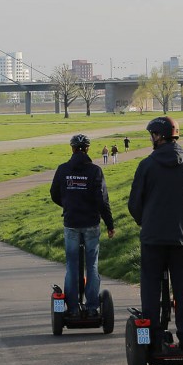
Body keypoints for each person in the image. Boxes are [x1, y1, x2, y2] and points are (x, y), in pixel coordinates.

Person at [128, 116, 183, 349]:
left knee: (151, 287)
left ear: (159, 136)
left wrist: (145, 221)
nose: (151, 139)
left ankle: (152, 336)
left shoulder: (146, 165)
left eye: (152, 135)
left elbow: (135, 203)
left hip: (153, 238)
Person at [50, 134, 115, 317]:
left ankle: (72, 309)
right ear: (87, 149)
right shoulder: (95, 171)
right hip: (91, 223)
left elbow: (54, 193)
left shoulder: (63, 169)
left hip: (71, 223)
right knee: (92, 265)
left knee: (72, 265)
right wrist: (110, 224)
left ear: (72, 149)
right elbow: (102, 201)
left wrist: (68, 204)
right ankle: (92, 307)